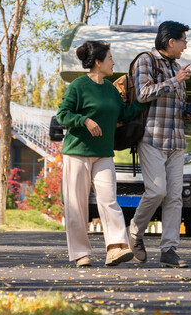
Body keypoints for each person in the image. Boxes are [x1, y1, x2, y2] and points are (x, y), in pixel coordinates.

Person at [56, 40, 145, 267]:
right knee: (76, 205)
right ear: (98, 62)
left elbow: (124, 113)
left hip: (104, 153)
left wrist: (144, 100)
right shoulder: (78, 86)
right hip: (77, 153)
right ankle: (80, 254)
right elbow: (63, 114)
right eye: (110, 58)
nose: (113, 62)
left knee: (109, 200)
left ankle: (116, 248)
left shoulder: (110, 89)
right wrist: (83, 120)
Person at [128, 20, 191, 268]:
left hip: (177, 141)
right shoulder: (146, 60)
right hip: (152, 138)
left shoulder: (178, 66)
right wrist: (175, 81)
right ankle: (135, 231)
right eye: (184, 41)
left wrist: (190, 112)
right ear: (171, 42)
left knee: (175, 197)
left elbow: (176, 102)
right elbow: (144, 93)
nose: (185, 46)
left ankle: (169, 249)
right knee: (157, 191)